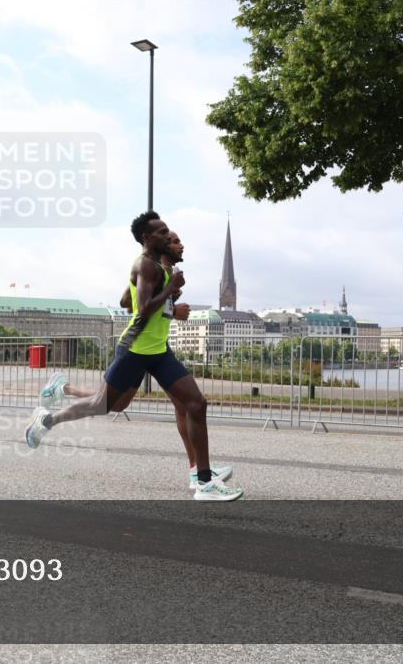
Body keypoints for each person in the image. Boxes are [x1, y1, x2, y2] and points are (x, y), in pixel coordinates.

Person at [25, 211, 243, 501]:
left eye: (168, 232)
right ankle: (47, 420)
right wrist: (170, 290)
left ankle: (203, 480)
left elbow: (128, 301)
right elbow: (143, 309)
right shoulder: (144, 264)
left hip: (158, 351)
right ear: (147, 238)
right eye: (162, 233)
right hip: (135, 350)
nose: (168, 236)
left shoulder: (158, 267)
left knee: (195, 403)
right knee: (103, 405)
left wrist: (168, 296)